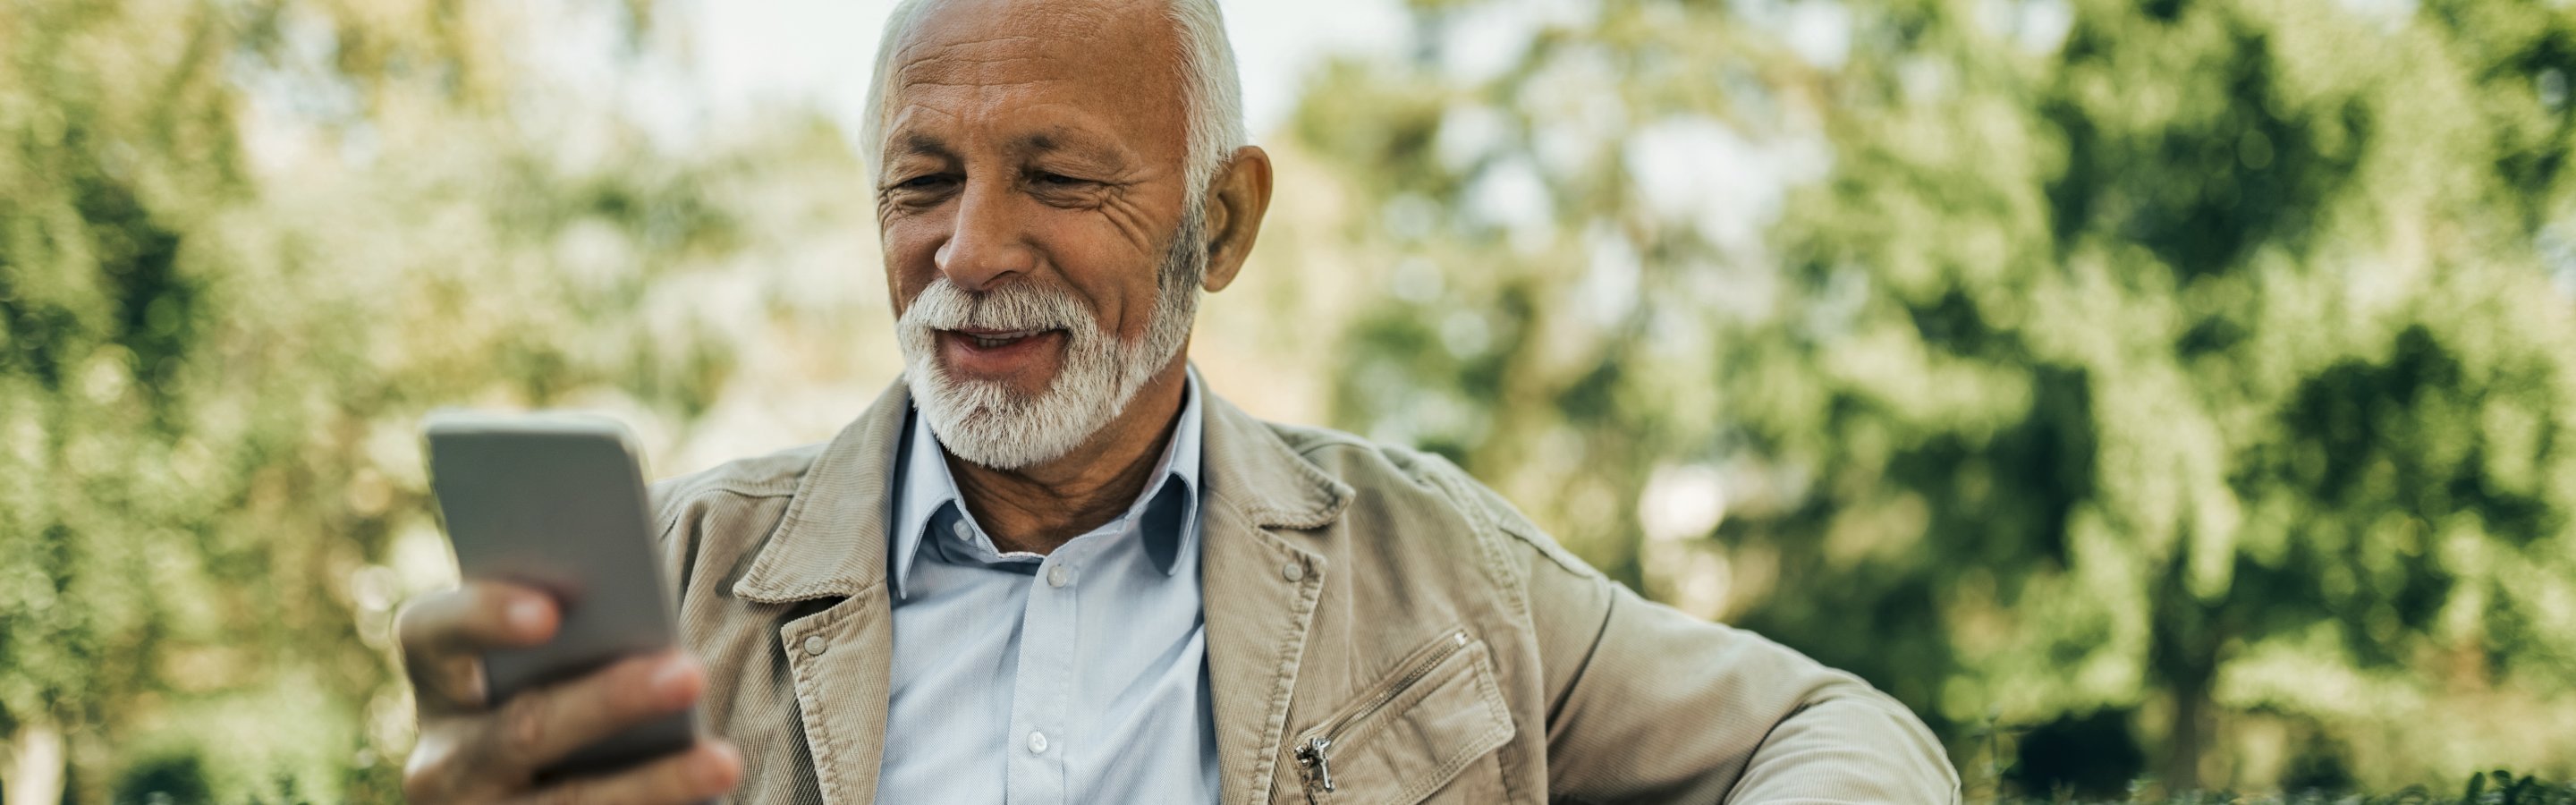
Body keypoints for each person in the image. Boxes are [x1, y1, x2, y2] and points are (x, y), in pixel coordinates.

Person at [394, 0, 1962, 801]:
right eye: (921, 182)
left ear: (1224, 220)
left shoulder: (1437, 574)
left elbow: (1842, 729)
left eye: (1060, 179)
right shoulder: (680, 581)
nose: (973, 248)